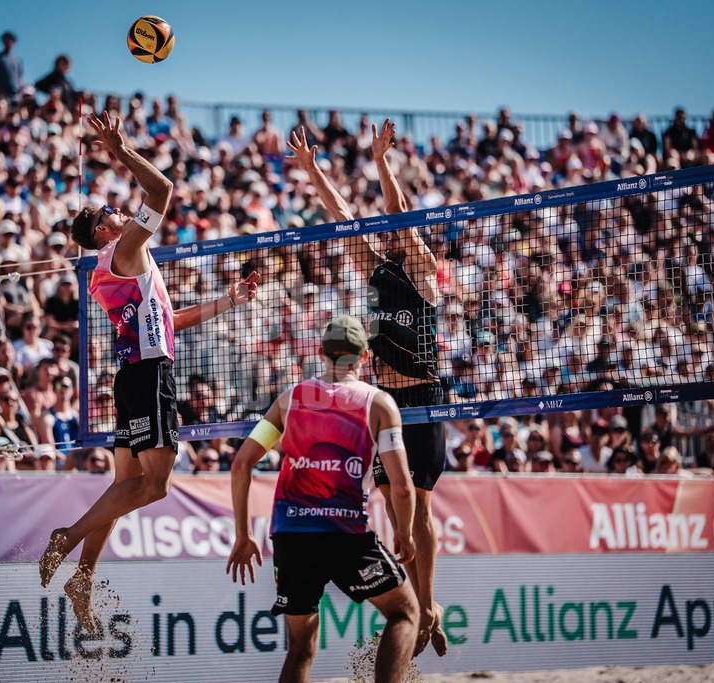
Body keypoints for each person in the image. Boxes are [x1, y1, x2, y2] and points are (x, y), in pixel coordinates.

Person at [38, 111, 261, 633]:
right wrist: (120, 149)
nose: (120, 211)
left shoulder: (116, 267)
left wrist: (227, 301)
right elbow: (161, 190)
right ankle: (66, 538)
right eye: (112, 210)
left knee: (126, 485)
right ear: (102, 229)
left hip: (135, 372)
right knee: (155, 486)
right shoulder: (123, 249)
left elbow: (169, 321)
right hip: (147, 375)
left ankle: (82, 578)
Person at [288, 120, 447, 657]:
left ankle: (425, 605)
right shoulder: (376, 269)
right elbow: (341, 218)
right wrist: (313, 171)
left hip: (422, 398)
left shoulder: (424, 270)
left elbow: (402, 218)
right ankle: (417, 600)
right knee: (394, 501)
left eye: (399, 230)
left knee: (418, 504)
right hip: (384, 404)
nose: (391, 231)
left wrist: (382, 162)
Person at [227, 315, 418, 683]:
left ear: (320, 353)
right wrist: (405, 534)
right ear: (365, 357)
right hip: (344, 535)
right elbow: (403, 486)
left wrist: (242, 534)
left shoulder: (290, 399)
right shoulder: (378, 403)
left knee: (300, 648)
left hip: (290, 536)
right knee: (405, 613)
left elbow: (241, 465)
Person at [0, 31, 24, 102]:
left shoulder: (18, 60)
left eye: (11, 39)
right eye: (6, 39)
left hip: (16, 95)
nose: (8, 41)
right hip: (2, 95)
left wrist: (21, 90)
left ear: (14, 42)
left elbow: (20, 77)